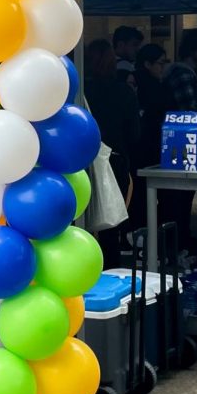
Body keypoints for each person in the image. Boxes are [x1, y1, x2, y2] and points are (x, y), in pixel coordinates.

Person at [85, 39, 140, 265]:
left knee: (80, 221)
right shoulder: (123, 92)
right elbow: (135, 133)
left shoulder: (80, 91)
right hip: (114, 161)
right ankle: (111, 271)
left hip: (80, 162)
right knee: (111, 222)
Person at [160, 30, 197, 252]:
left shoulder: (181, 71)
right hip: (182, 143)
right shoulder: (183, 74)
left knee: (176, 199)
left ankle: (178, 240)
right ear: (195, 50)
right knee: (179, 198)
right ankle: (178, 242)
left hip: (177, 142)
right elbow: (189, 109)